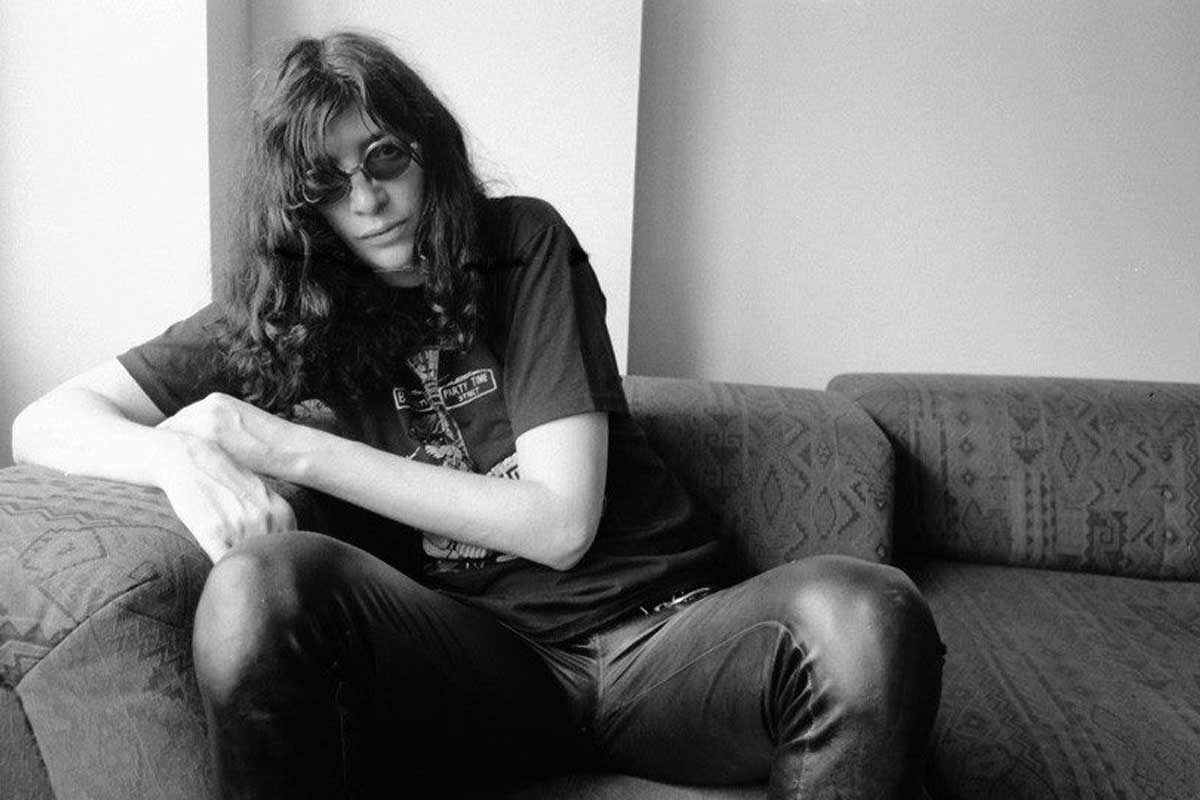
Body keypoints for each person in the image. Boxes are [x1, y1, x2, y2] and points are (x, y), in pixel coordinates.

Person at [12, 31, 943, 799]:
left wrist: (277, 442)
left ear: (428, 149)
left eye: (384, 156)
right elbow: (44, 423)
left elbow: (560, 524)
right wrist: (178, 459)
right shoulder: (283, 315)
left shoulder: (520, 245)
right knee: (259, 586)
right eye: (328, 182)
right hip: (484, 666)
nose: (367, 199)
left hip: (668, 646)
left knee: (867, 613)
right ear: (299, 206)